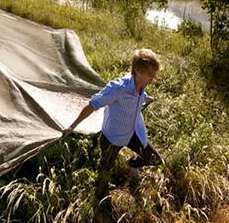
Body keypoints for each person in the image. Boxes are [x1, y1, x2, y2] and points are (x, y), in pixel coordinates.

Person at [63, 48, 165, 215]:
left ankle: (132, 166)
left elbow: (139, 95)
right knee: (103, 179)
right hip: (112, 139)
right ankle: (99, 210)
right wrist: (72, 126)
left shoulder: (142, 85)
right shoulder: (118, 88)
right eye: (150, 74)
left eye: (154, 74)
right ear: (138, 71)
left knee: (155, 160)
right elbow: (92, 104)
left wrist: (146, 98)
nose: (153, 78)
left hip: (132, 134)